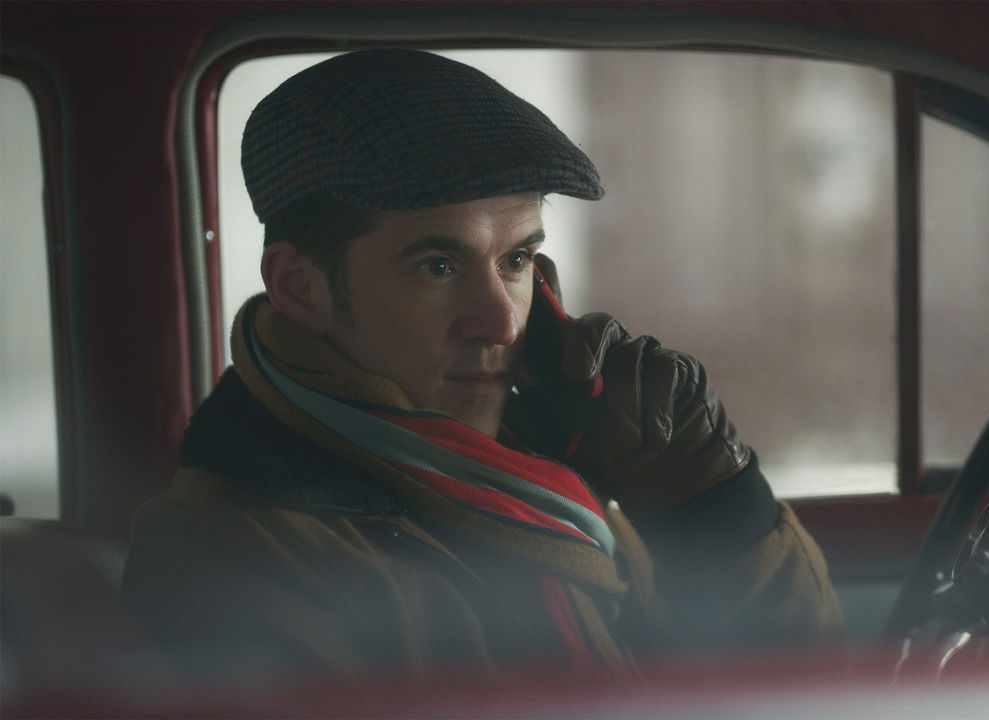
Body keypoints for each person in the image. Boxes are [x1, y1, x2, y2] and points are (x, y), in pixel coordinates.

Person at [122, 49, 843, 691]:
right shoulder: (231, 557)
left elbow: (799, 693)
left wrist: (710, 507)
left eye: (517, 260)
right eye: (438, 266)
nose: (500, 322)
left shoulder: (526, 479)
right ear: (300, 289)